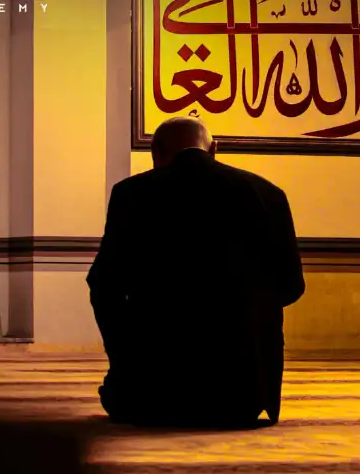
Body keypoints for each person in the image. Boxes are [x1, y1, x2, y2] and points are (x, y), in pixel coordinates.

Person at [88, 116, 305, 428]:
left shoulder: (132, 194)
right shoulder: (269, 194)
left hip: (155, 396)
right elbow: (291, 286)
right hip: (242, 398)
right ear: (214, 149)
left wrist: (126, 361)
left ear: (156, 151)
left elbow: (103, 286)